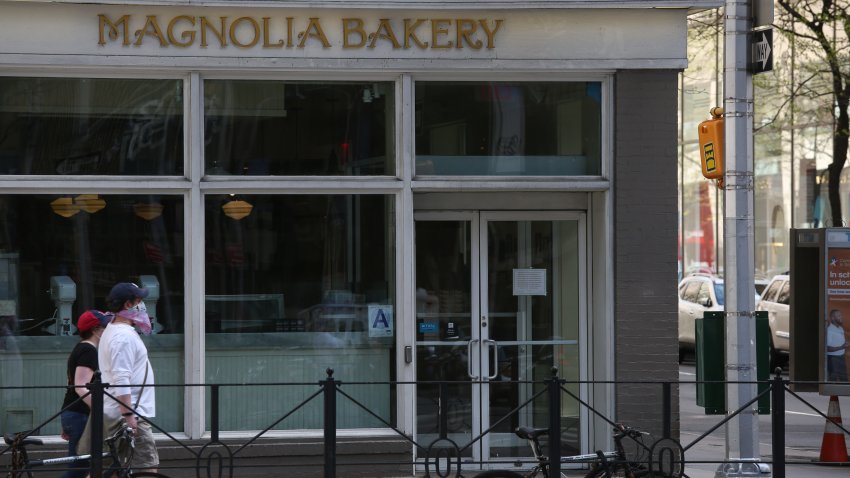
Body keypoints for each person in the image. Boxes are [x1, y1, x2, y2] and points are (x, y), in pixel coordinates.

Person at [99, 282, 159, 472]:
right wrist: (129, 415)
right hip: (131, 414)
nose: (142, 306)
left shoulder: (113, 330)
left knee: (113, 469)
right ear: (127, 304)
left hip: (123, 412)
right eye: (139, 301)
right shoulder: (123, 336)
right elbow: (121, 378)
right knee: (147, 468)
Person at [59, 310, 110, 478]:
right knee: (79, 469)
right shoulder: (89, 350)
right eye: (105, 326)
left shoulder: (83, 348)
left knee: (82, 467)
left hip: (75, 413)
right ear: (96, 329)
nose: (108, 330)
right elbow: (80, 387)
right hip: (80, 414)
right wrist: (100, 411)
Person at [826, 309, 849, 382]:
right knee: (833, 380)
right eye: (839, 315)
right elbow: (827, 348)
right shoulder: (829, 330)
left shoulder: (840, 328)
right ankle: (833, 394)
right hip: (833, 359)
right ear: (832, 318)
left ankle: (845, 393)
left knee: (844, 379)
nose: (841, 317)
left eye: (841, 315)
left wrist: (846, 343)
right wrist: (842, 347)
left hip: (841, 357)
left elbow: (839, 341)